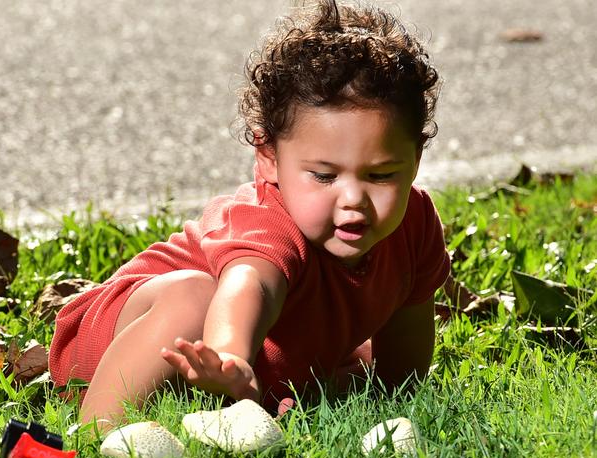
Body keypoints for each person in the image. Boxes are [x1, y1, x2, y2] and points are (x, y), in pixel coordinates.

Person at [48, 0, 450, 428]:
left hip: (240, 366)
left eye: (382, 174)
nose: (353, 198)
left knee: (346, 370)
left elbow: (406, 336)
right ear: (269, 159)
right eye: (324, 176)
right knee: (194, 296)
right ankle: (96, 433)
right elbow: (251, 285)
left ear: (415, 160)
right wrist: (229, 356)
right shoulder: (268, 222)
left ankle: (239, 394)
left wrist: (396, 397)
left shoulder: (414, 223)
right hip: (123, 338)